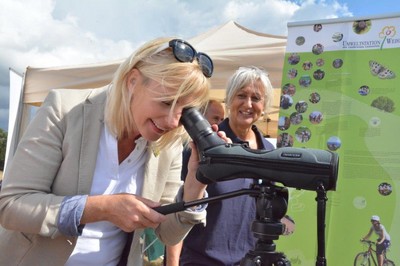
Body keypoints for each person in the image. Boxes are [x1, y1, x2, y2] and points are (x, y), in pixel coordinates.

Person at [0, 37, 230, 266]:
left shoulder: (169, 144)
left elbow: (167, 233)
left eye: (184, 110)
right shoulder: (65, 110)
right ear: (132, 81)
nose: (172, 121)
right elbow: (12, 206)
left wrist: (195, 185)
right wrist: (102, 208)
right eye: (165, 102)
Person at [169, 66, 295, 266]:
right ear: (229, 100)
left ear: (265, 106)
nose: (248, 104)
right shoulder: (204, 147)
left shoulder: (269, 152)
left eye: (256, 98)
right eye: (241, 95)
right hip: (201, 261)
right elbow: (179, 210)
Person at [165, 99, 225, 265]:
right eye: (216, 118)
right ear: (199, 117)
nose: (220, 124)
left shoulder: (220, 149)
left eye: (222, 119)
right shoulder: (187, 151)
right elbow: (173, 209)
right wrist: (172, 262)